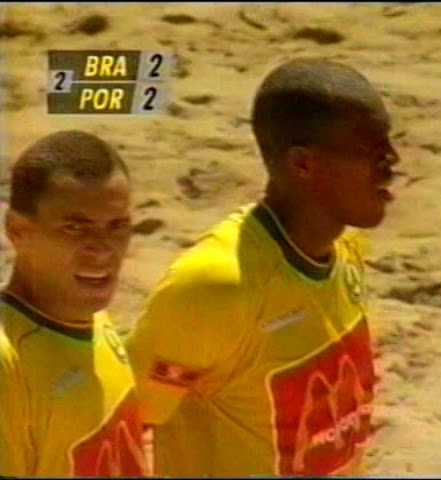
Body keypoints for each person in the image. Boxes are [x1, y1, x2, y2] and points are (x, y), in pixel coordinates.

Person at [126, 57, 401, 476]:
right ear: (303, 164)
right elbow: (114, 424)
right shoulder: (214, 287)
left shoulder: (343, 249)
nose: (392, 160)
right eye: (371, 150)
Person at [0, 130, 148, 477]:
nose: (103, 249)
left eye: (118, 226)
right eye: (74, 229)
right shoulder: (8, 364)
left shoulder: (94, 319)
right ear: (17, 230)